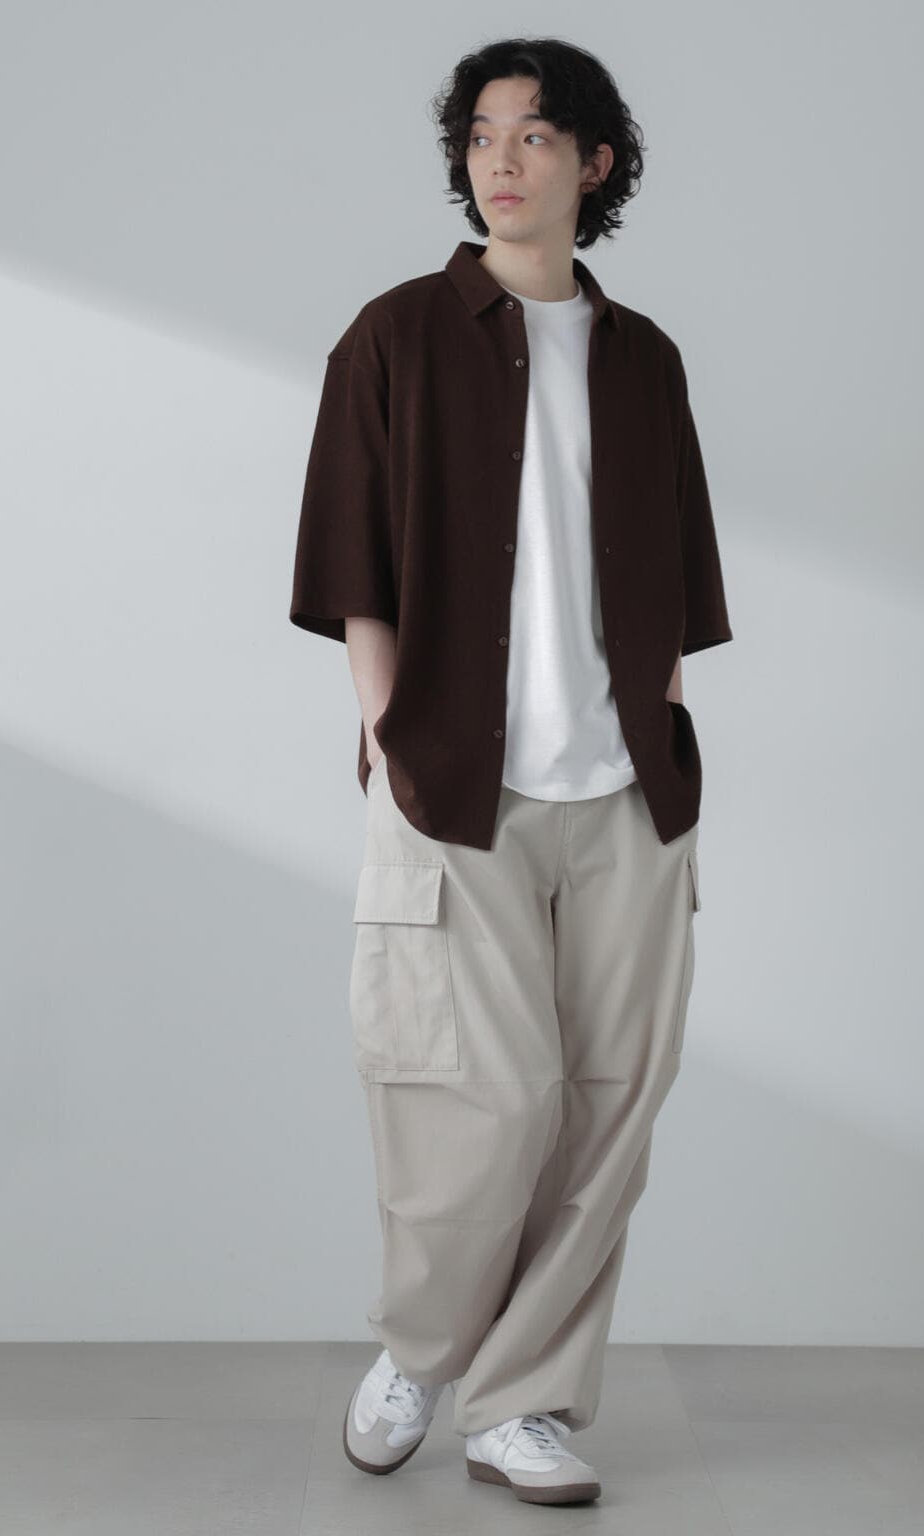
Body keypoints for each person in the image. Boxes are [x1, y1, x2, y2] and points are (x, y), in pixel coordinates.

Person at [289, 36, 733, 1507]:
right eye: (481, 135)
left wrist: (662, 727)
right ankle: (422, 1351)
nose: (502, 160)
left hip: (627, 797)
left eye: (535, 135)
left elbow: (680, 581)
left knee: (608, 1105)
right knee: (476, 1100)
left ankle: (522, 1402)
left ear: (594, 163)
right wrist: (385, 727)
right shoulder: (396, 337)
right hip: (452, 788)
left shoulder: (645, 359)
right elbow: (350, 555)